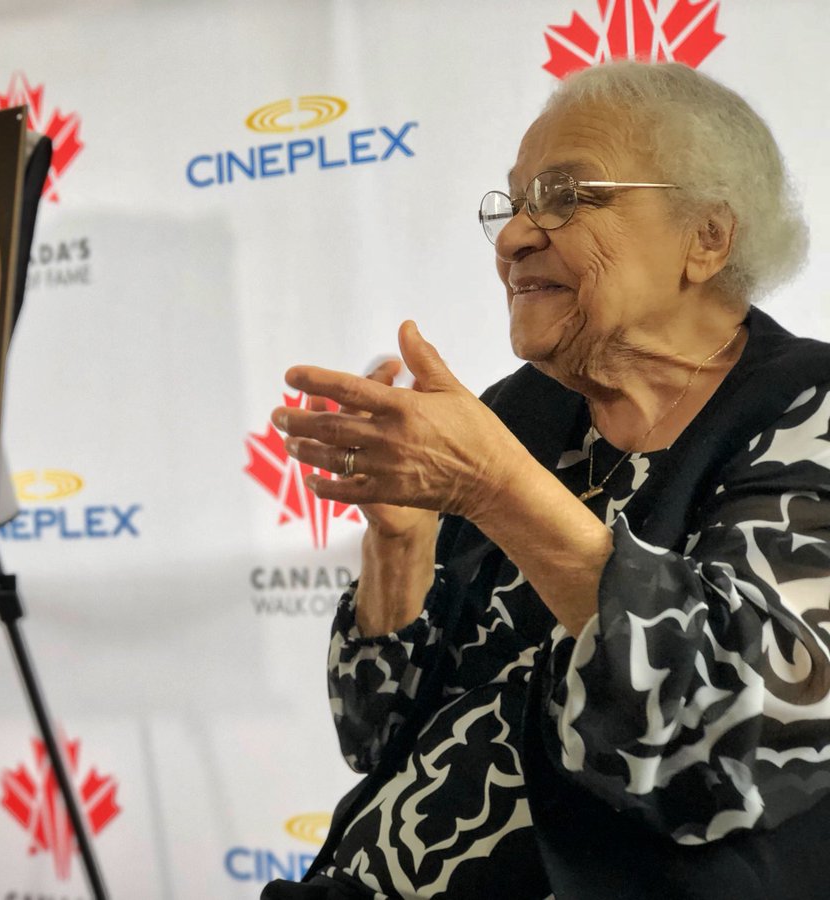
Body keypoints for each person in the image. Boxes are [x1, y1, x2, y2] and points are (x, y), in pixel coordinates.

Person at [264, 61, 830, 899]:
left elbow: (729, 744)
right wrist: (400, 544)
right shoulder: (520, 414)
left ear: (706, 237)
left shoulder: (804, 409)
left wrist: (496, 489)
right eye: (514, 201)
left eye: (567, 196)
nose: (514, 237)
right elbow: (375, 733)